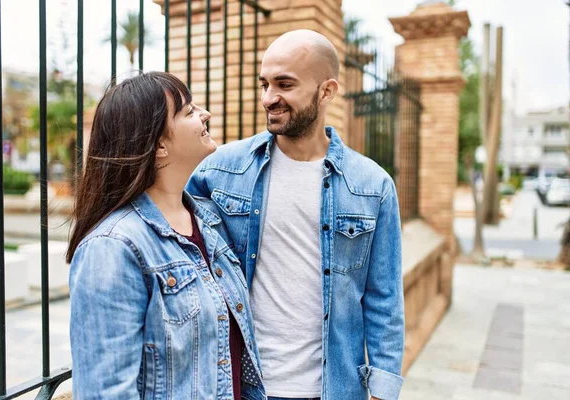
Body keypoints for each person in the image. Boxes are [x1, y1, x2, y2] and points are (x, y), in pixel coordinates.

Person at [188, 30, 405, 400]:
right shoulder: (220, 170)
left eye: (284, 84)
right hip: (241, 385)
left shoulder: (372, 186)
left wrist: (383, 390)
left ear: (327, 91)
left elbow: (383, 298)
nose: (269, 98)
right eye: (265, 84)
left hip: (332, 388)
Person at [66, 71, 265, 400]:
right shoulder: (113, 247)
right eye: (188, 111)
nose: (206, 114)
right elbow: (106, 391)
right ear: (158, 144)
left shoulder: (209, 221)